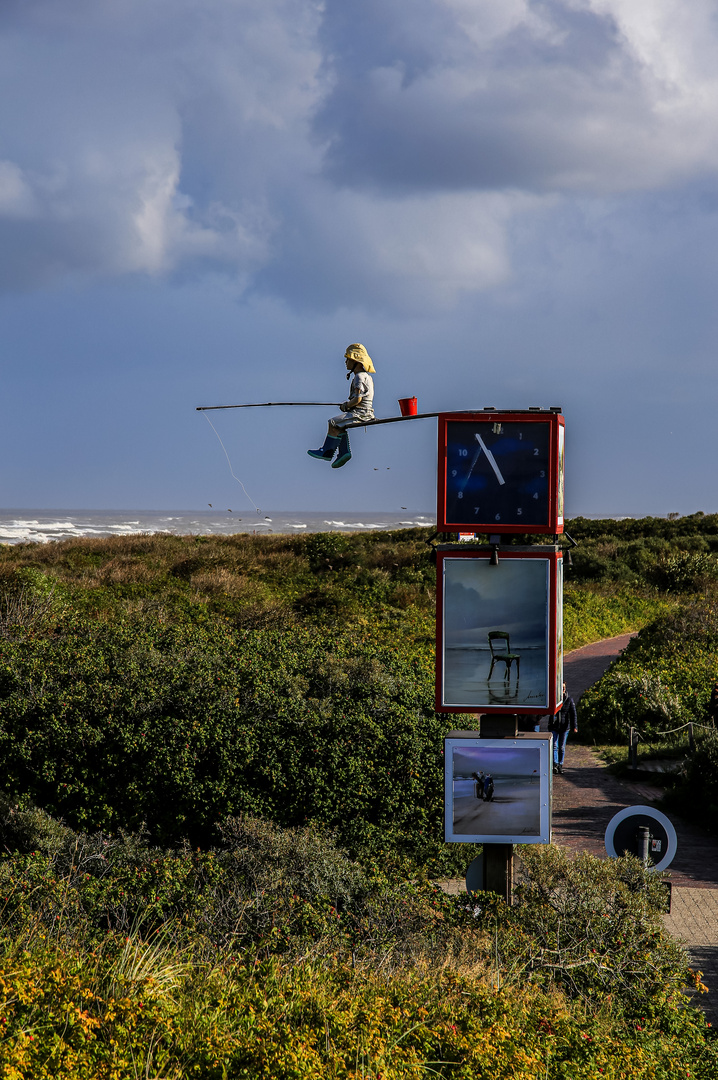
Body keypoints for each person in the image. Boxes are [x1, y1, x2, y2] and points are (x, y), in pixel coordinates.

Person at [307, 344, 375, 468]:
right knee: (340, 425)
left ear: (356, 362)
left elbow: (358, 399)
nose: (345, 362)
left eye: (348, 359)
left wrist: (346, 406)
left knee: (333, 422)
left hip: (361, 413)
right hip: (364, 412)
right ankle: (343, 452)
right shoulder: (366, 377)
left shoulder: (359, 377)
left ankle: (327, 451)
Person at [549, 683, 578, 774]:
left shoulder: (569, 700)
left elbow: (573, 714)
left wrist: (574, 726)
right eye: (561, 688)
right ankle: (555, 764)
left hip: (564, 727)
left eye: (564, 688)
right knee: (554, 746)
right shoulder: (552, 698)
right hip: (554, 726)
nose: (562, 690)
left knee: (561, 747)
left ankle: (560, 764)